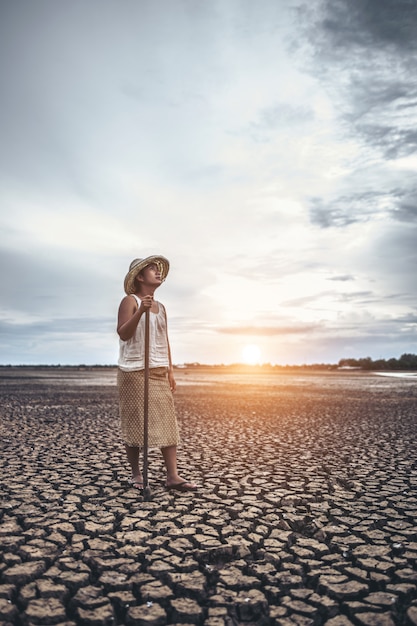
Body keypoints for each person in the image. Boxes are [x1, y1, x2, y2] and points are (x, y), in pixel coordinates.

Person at [117, 255, 197, 492]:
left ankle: (172, 476)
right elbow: (123, 333)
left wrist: (170, 370)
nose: (157, 272)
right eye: (152, 269)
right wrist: (141, 311)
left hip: (158, 369)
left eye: (158, 269)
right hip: (133, 370)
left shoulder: (161, 308)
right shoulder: (129, 301)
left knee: (167, 423)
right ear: (140, 277)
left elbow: (165, 340)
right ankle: (136, 474)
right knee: (134, 424)